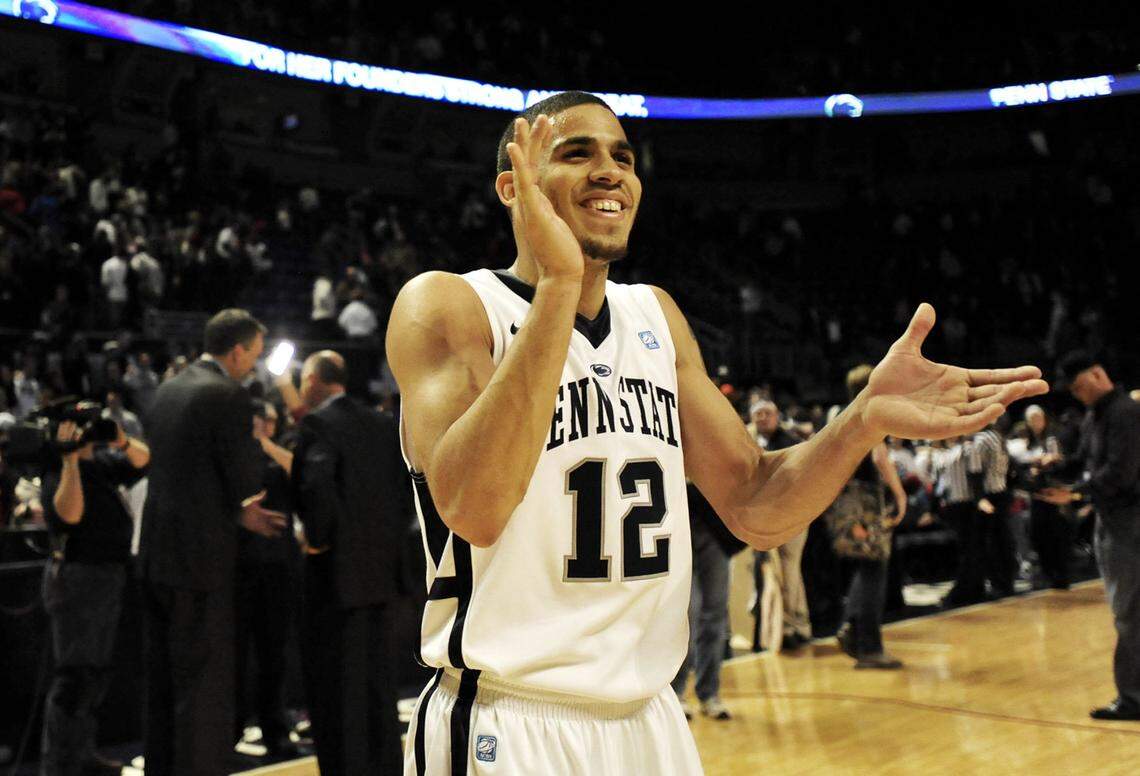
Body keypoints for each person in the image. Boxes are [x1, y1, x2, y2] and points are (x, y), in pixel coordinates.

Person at [386, 91, 1047, 774]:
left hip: (650, 715)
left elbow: (756, 501)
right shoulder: (449, 304)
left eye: (623, 157)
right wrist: (559, 283)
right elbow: (474, 507)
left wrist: (862, 420)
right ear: (511, 186)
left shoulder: (654, 316)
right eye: (576, 152)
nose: (611, 171)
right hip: (508, 721)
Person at [139, 309, 286, 775]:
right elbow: (244, 480)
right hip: (201, 563)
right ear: (237, 350)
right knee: (202, 688)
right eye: (254, 357)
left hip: (157, 555)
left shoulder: (168, 388)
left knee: (162, 682)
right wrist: (243, 507)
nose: (253, 367)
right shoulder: (226, 394)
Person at [292, 351, 412, 775]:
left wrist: (319, 541)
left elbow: (317, 486)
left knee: (335, 687)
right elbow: (403, 492)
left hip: (336, 580)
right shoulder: (382, 423)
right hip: (381, 576)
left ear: (313, 380)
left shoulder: (317, 424)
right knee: (378, 685)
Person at [40, 418, 149, 775]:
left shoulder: (102, 464)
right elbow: (68, 515)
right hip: (78, 579)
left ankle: (83, 753)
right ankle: (59, 765)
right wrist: (69, 458)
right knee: (74, 676)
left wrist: (119, 439)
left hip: (108, 576)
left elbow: (144, 461)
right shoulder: (56, 466)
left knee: (97, 674)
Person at [1042, 352, 1140, 721]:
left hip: (1130, 522)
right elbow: (1084, 459)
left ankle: (1133, 699)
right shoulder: (1096, 414)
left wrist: (1078, 494)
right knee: (1129, 609)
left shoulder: (1126, 413)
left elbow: (1120, 474)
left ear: (1099, 374)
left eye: (1081, 387)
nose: (1079, 396)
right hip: (1112, 519)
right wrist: (1056, 467)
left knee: (1129, 611)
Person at [234, 400, 302, 761]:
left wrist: (267, 444)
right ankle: (232, 729)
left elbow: (299, 473)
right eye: (263, 420)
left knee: (274, 654)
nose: (268, 425)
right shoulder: (235, 453)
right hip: (240, 566)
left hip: (279, 566)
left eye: (273, 420)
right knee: (237, 653)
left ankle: (275, 728)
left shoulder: (285, 448)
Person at [832, 365, 909, 669]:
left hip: (843, 501)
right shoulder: (870, 412)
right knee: (875, 569)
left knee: (865, 569)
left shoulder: (839, 413)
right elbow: (879, 457)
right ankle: (869, 648)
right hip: (865, 500)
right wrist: (900, 494)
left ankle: (850, 628)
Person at [749, 399, 810, 651]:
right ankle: (793, 625)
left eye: (767, 413)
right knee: (779, 574)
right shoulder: (750, 443)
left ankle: (789, 627)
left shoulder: (791, 442)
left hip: (792, 516)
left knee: (789, 571)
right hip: (765, 519)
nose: (762, 418)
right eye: (758, 414)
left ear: (777, 416)